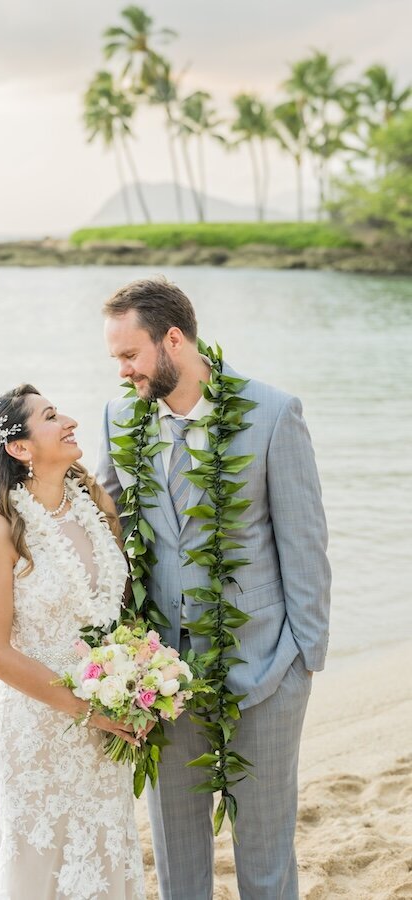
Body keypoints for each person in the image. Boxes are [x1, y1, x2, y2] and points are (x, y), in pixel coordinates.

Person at [97, 277, 331, 900]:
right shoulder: (120, 418)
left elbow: (305, 544)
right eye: (115, 359)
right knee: (176, 851)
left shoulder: (274, 414)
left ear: (174, 339)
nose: (122, 372)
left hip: (266, 670)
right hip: (160, 679)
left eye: (130, 355)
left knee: (265, 849)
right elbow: (105, 529)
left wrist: (303, 659)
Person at [0, 384, 145, 900]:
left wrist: (135, 684)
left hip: (103, 722)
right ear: (20, 448)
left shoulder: (96, 504)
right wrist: (90, 710)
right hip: (38, 734)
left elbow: (119, 611)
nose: (68, 420)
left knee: (106, 852)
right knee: (40, 863)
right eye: (49, 416)